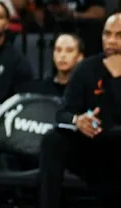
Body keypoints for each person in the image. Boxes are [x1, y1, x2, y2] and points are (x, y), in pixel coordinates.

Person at [39, 14, 121, 207]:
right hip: (93, 146)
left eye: (119, 35)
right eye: (107, 34)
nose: (111, 41)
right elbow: (63, 113)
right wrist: (78, 120)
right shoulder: (86, 68)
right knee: (53, 139)